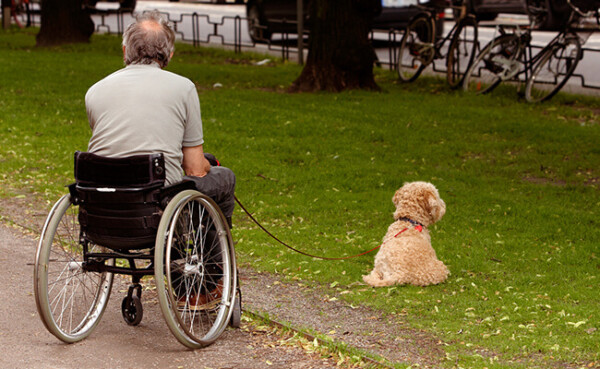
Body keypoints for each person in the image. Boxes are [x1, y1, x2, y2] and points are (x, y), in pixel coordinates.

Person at [85, 10, 235, 226]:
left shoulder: (95, 91)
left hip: (103, 199)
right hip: (157, 199)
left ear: (125, 50)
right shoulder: (183, 88)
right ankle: (213, 259)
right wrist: (208, 164)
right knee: (224, 177)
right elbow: (195, 169)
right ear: (170, 54)